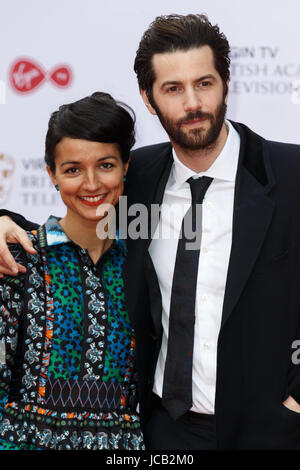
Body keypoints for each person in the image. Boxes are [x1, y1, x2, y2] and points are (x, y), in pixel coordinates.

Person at [1, 13, 300, 450]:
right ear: (148, 97)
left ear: (227, 83)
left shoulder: (291, 175)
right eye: (173, 89)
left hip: (272, 429)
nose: (193, 103)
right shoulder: (137, 176)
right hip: (167, 430)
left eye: (204, 83)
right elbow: (78, 218)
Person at [0, 91, 145, 450]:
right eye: (73, 169)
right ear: (51, 173)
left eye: (106, 165)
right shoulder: (18, 258)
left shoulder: (145, 264)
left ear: (126, 166)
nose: (92, 184)